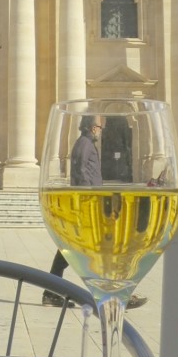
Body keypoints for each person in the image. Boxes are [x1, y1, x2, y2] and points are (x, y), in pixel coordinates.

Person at [43, 115, 147, 310]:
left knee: (69, 249)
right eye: (99, 127)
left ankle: (51, 292)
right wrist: (89, 199)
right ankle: (116, 295)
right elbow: (81, 171)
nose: (101, 130)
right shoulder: (84, 144)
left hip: (89, 202)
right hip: (88, 204)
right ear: (92, 127)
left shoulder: (86, 143)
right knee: (105, 249)